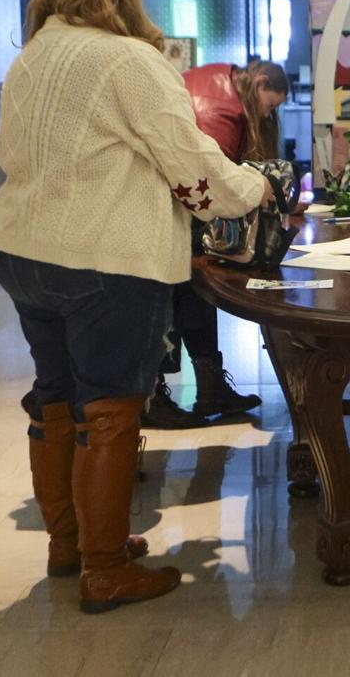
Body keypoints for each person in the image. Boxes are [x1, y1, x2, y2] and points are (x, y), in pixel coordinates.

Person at [0, 0, 272, 613]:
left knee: (55, 396)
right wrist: (252, 189)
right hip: (103, 258)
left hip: (23, 249)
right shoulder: (129, 60)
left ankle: (71, 543)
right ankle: (105, 568)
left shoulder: (32, 58)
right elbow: (190, 162)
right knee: (110, 407)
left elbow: (8, 152)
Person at [141, 60, 289, 429]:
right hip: (164, 209)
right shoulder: (220, 112)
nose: (269, 114)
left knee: (194, 286)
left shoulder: (223, 75)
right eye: (271, 104)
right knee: (181, 291)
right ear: (260, 82)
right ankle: (153, 396)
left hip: (161, 204)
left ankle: (208, 386)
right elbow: (207, 178)